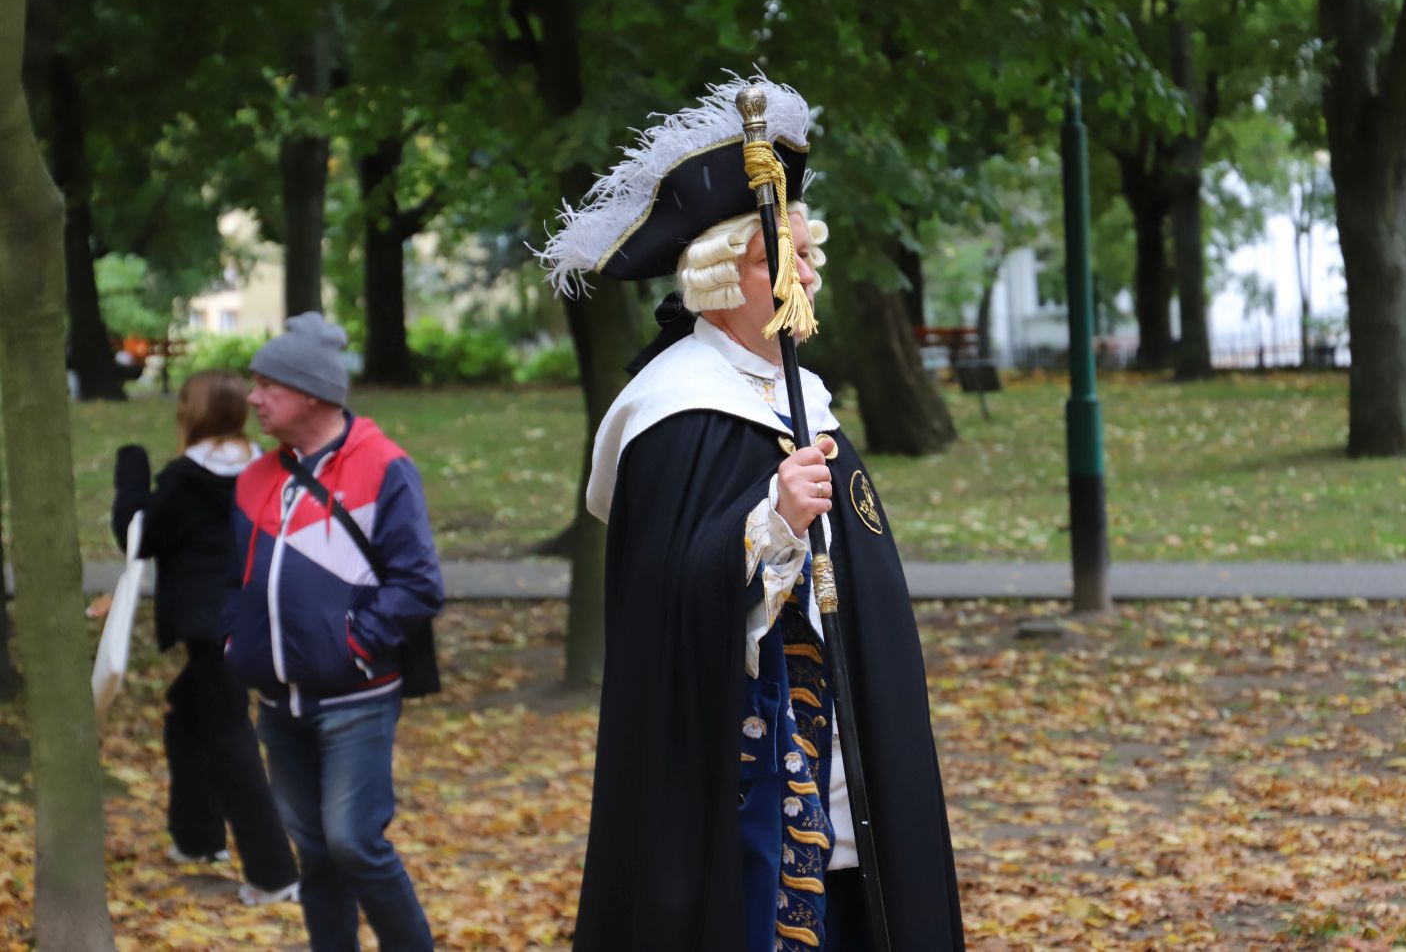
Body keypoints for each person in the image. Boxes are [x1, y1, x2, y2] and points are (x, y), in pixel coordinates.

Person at [538, 77, 965, 952]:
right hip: (739, 779)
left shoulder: (807, 399)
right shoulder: (671, 413)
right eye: (791, 255)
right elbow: (663, 604)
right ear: (730, 273)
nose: (812, 271)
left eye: (811, 253)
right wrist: (768, 524)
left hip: (842, 758)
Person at [223, 312, 444, 952]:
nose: (253, 398)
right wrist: (237, 643)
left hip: (355, 700)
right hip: (276, 702)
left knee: (354, 844)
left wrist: (352, 645)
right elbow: (228, 583)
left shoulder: (383, 467)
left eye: (268, 385)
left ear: (314, 392)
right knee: (315, 854)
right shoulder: (255, 478)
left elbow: (419, 584)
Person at [111, 369, 300, 906]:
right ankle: (197, 840)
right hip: (253, 618)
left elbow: (137, 536)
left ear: (192, 415)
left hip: (211, 629)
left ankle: (275, 873)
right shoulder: (267, 469)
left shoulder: (184, 479)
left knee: (230, 739)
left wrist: (131, 472)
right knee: (186, 717)